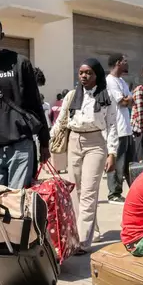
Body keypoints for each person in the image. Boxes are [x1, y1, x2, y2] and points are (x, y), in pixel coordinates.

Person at [0, 15, 50, 189]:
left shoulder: (20, 64)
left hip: (20, 146)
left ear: (2, 35)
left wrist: (44, 142)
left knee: (17, 206)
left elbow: (35, 104)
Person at [50, 58, 118, 255]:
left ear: (97, 75)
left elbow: (113, 126)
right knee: (75, 192)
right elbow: (61, 121)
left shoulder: (107, 96)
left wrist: (112, 152)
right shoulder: (72, 96)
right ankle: (89, 229)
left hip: (96, 144)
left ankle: (81, 241)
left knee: (89, 191)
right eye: (81, 73)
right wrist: (47, 144)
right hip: (74, 142)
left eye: (89, 73)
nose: (84, 76)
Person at [105, 53, 133, 205]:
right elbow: (122, 101)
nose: (127, 63)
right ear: (118, 63)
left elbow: (131, 100)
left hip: (127, 128)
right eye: (124, 61)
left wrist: (128, 99)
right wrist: (127, 99)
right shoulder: (110, 81)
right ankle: (114, 193)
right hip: (117, 128)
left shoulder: (121, 81)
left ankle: (133, 192)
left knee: (128, 163)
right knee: (116, 161)